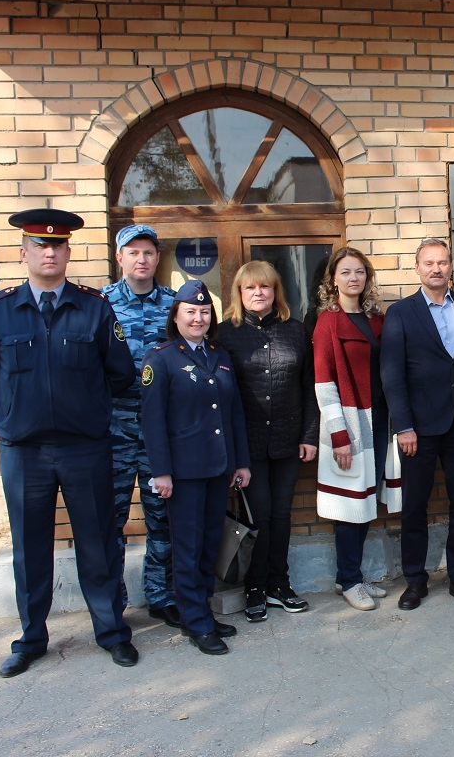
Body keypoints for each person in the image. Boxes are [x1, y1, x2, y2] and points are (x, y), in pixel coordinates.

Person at [0, 208, 138, 677]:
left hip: (85, 448)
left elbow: (120, 373)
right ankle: (30, 639)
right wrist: (19, 409)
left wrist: (86, 408)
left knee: (97, 543)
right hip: (25, 452)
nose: (49, 251)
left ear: (67, 252)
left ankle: (111, 633)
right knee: (30, 545)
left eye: (57, 244)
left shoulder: (94, 308)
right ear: (23, 253)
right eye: (40, 245)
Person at [140, 279, 251, 656]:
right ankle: (195, 623)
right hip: (183, 472)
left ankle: (201, 610)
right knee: (186, 549)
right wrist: (161, 472)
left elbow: (233, 412)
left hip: (217, 467)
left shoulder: (219, 355)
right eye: (190, 311)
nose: (198, 317)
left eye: (204, 311)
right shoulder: (161, 357)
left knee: (207, 545)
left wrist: (241, 462)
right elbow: (152, 421)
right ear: (176, 316)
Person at [381, 239, 454, 610]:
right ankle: (415, 580)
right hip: (418, 429)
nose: (436, 269)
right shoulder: (401, 313)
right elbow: (392, 373)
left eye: (442, 262)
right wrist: (403, 425)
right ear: (418, 268)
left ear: (450, 267)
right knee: (415, 505)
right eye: (429, 263)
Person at [219, 260, 319, 622]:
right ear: (239, 294)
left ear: (276, 292)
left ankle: (280, 584)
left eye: (265, 287)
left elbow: (309, 388)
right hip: (247, 445)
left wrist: (310, 435)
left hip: (289, 441)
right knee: (258, 516)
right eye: (250, 288)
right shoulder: (224, 335)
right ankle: (255, 588)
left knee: (281, 514)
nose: (258, 293)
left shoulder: (295, 331)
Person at [312, 247, 400, 611]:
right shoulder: (328, 323)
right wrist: (338, 436)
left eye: (360, 272)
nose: (354, 278)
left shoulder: (377, 320)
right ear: (333, 279)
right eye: (346, 272)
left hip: (380, 421)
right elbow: (324, 384)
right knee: (350, 504)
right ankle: (348, 579)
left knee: (366, 500)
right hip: (349, 424)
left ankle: (350, 575)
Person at [103, 224, 179, 628]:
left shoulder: (173, 304)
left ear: (157, 258)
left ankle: (161, 596)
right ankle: (111, 603)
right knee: (110, 520)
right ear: (119, 258)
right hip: (112, 430)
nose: (142, 259)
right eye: (133, 252)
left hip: (158, 432)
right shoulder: (99, 304)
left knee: (161, 518)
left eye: (148, 252)